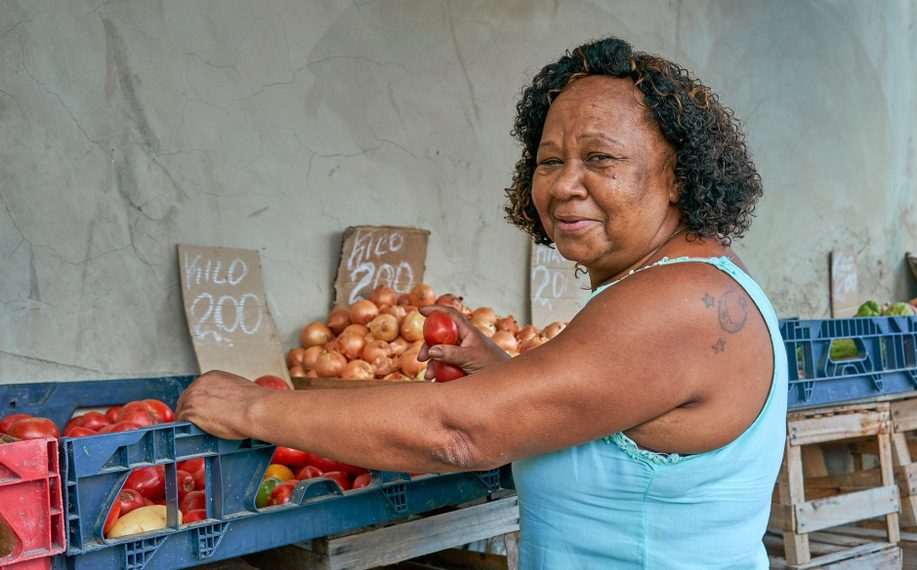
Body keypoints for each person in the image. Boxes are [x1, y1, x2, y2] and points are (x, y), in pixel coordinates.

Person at [178, 37, 787, 569]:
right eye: (549, 161)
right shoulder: (689, 282)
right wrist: (506, 377)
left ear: (679, 175)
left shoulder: (680, 302)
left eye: (600, 158)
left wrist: (254, 410)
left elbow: (458, 432)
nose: (564, 184)